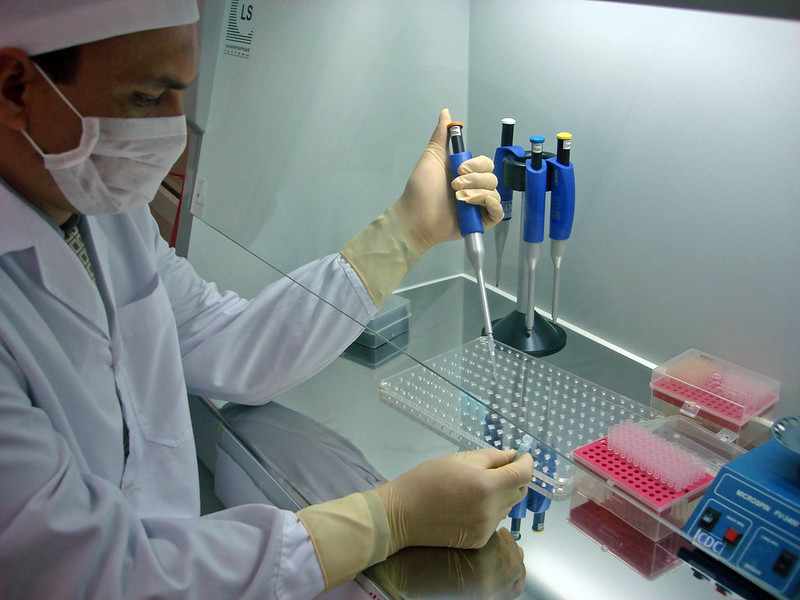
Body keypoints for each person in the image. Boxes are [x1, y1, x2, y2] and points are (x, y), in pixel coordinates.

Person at [0, 2, 535, 598]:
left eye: (183, 93)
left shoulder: (104, 214)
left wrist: (406, 232)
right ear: (14, 87)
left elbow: (226, 344)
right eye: (148, 99)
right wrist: (387, 519)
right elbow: (93, 575)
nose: (174, 132)